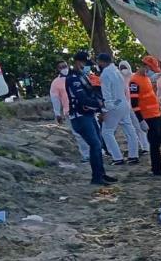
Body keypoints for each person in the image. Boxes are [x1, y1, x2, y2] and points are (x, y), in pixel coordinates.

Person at [65, 51, 117, 186]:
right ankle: (96, 177)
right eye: (84, 63)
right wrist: (99, 104)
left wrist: (100, 107)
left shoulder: (83, 76)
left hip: (89, 114)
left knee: (98, 144)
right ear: (78, 62)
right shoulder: (72, 78)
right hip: (80, 116)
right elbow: (82, 99)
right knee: (95, 144)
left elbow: (92, 93)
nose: (86, 67)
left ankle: (101, 174)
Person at [97, 53, 140, 165]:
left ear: (101, 62)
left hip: (114, 104)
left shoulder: (105, 74)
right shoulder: (117, 72)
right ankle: (133, 156)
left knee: (107, 132)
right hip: (123, 102)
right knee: (130, 130)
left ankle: (117, 158)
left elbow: (106, 94)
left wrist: (105, 110)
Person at [49, 60, 89, 162]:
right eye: (61, 67)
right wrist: (57, 113)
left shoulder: (77, 76)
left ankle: (98, 150)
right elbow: (55, 99)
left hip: (85, 108)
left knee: (91, 130)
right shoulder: (56, 83)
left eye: (65, 66)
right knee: (78, 134)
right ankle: (86, 155)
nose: (64, 68)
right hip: (69, 111)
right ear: (57, 69)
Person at [119, 60, 150, 155]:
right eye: (121, 68)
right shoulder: (119, 79)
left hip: (135, 106)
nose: (123, 70)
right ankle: (138, 146)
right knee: (131, 129)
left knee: (139, 127)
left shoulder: (134, 78)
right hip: (125, 107)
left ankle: (146, 147)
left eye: (125, 68)